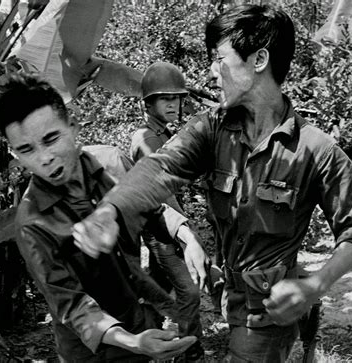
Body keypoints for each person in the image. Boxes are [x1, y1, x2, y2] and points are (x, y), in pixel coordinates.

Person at [72, 4, 352, 362]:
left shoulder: (316, 149)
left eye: (219, 59)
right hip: (226, 292)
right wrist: (110, 210)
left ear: (258, 59)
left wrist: (316, 285)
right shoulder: (211, 128)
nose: (212, 71)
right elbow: (159, 168)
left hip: (266, 313)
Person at [0, 74, 211, 362]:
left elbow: (150, 209)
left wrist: (187, 237)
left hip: (139, 322)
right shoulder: (32, 222)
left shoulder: (111, 163)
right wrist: (132, 342)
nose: (44, 158)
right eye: (26, 150)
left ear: (72, 126)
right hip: (94, 351)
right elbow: (71, 305)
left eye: (51, 139)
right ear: (13, 153)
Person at [130, 62, 205, 360]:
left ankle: (148, 336)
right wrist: (186, 234)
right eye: (165, 99)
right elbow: (160, 193)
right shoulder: (147, 139)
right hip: (161, 229)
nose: (173, 104)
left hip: (166, 225)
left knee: (156, 289)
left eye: (176, 98)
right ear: (149, 104)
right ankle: (189, 349)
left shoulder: (163, 135)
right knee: (189, 292)